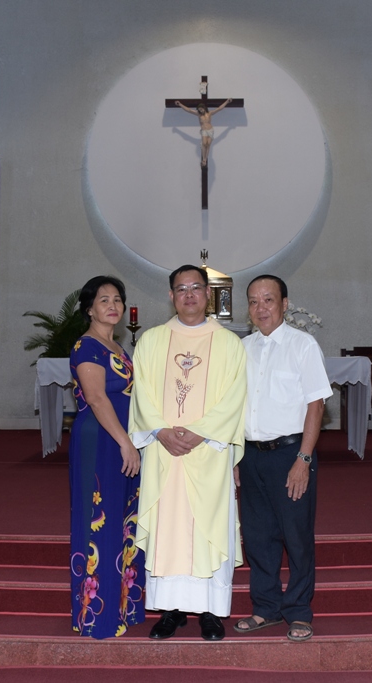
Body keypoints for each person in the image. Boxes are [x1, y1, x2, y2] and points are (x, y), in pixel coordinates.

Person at [129, 264, 247, 641]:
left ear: (208, 294)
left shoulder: (229, 344)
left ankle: (211, 612)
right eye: (181, 289)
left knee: (209, 529)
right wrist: (161, 432)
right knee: (169, 528)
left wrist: (200, 433)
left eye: (196, 287)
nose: (189, 295)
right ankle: (171, 610)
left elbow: (235, 398)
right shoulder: (152, 341)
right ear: (171, 296)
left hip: (209, 454)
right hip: (165, 454)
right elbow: (141, 393)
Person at [233, 275, 332, 643]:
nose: (261, 308)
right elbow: (234, 407)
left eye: (269, 300)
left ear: (285, 304)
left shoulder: (303, 346)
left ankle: (299, 611)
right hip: (251, 455)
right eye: (253, 301)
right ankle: (266, 607)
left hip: (291, 454)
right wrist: (235, 458)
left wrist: (303, 459)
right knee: (258, 536)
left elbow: (316, 405)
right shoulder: (242, 348)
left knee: (297, 535)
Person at [68, 275, 145, 639]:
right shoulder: (87, 346)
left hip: (121, 440)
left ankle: (122, 606)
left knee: (123, 521)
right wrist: (125, 443)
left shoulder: (116, 348)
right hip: (101, 442)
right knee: (99, 520)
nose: (113, 305)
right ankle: (95, 615)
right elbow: (97, 399)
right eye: (104, 300)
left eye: (117, 299)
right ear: (89, 309)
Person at [175, 98, 233, 167]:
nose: (200, 111)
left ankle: (205, 159)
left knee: (208, 144)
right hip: (204, 131)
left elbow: (219, 108)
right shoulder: (199, 114)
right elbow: (189, 110)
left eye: (201, 109)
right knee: (204, 143)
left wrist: (227, 101)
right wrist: (180, 104)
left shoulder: (210, 113)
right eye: (199, 110)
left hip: (210, 130)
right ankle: (204, 159)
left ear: (204, 108)